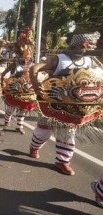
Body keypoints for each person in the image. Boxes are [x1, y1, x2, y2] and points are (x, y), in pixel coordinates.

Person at [28, 31, 100, 176]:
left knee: (68, 133)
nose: (94, 47)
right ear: (84, 44)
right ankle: (34, 147)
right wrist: (36, 86)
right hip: (53, 103)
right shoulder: (58, 59)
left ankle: (62, 161)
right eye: (93, 44)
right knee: (43, 132)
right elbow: (34, 68)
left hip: (74, 107)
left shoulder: (90, 61)